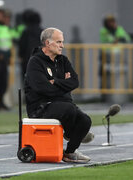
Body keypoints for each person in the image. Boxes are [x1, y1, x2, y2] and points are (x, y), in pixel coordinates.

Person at [24, 27, 94, 163]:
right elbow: (42, 88)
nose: (62, 45)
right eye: (59, 42)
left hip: (61, 105)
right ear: (47, 43)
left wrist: (55, 81)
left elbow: (74, 82)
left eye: (62, 42)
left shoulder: (63, 60)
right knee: (69, 109)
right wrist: (63, 84)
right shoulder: (35, 62)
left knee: (86, 120)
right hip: (40, 107)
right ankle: (71, 133)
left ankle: (69, 152)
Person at [18, 9, 42, 82]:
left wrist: (21, 55)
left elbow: (22, 45)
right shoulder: (43, 32)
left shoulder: (26, 31)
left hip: (27, 60)